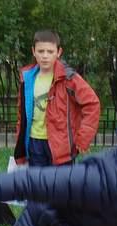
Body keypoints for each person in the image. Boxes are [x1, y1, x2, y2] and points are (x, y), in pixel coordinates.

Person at [13, 30, 99, 169]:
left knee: (60, 183)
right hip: (34, 144)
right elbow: (21, 114)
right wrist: (20, 142)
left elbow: (92, 104)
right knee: (38, 182)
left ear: (59, 52)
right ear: (33, 51)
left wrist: (84, 137)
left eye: (50, 51)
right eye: (41, 51)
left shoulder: (69, 78)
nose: (45, 56)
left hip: (62, 147)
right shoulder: (27, 78)